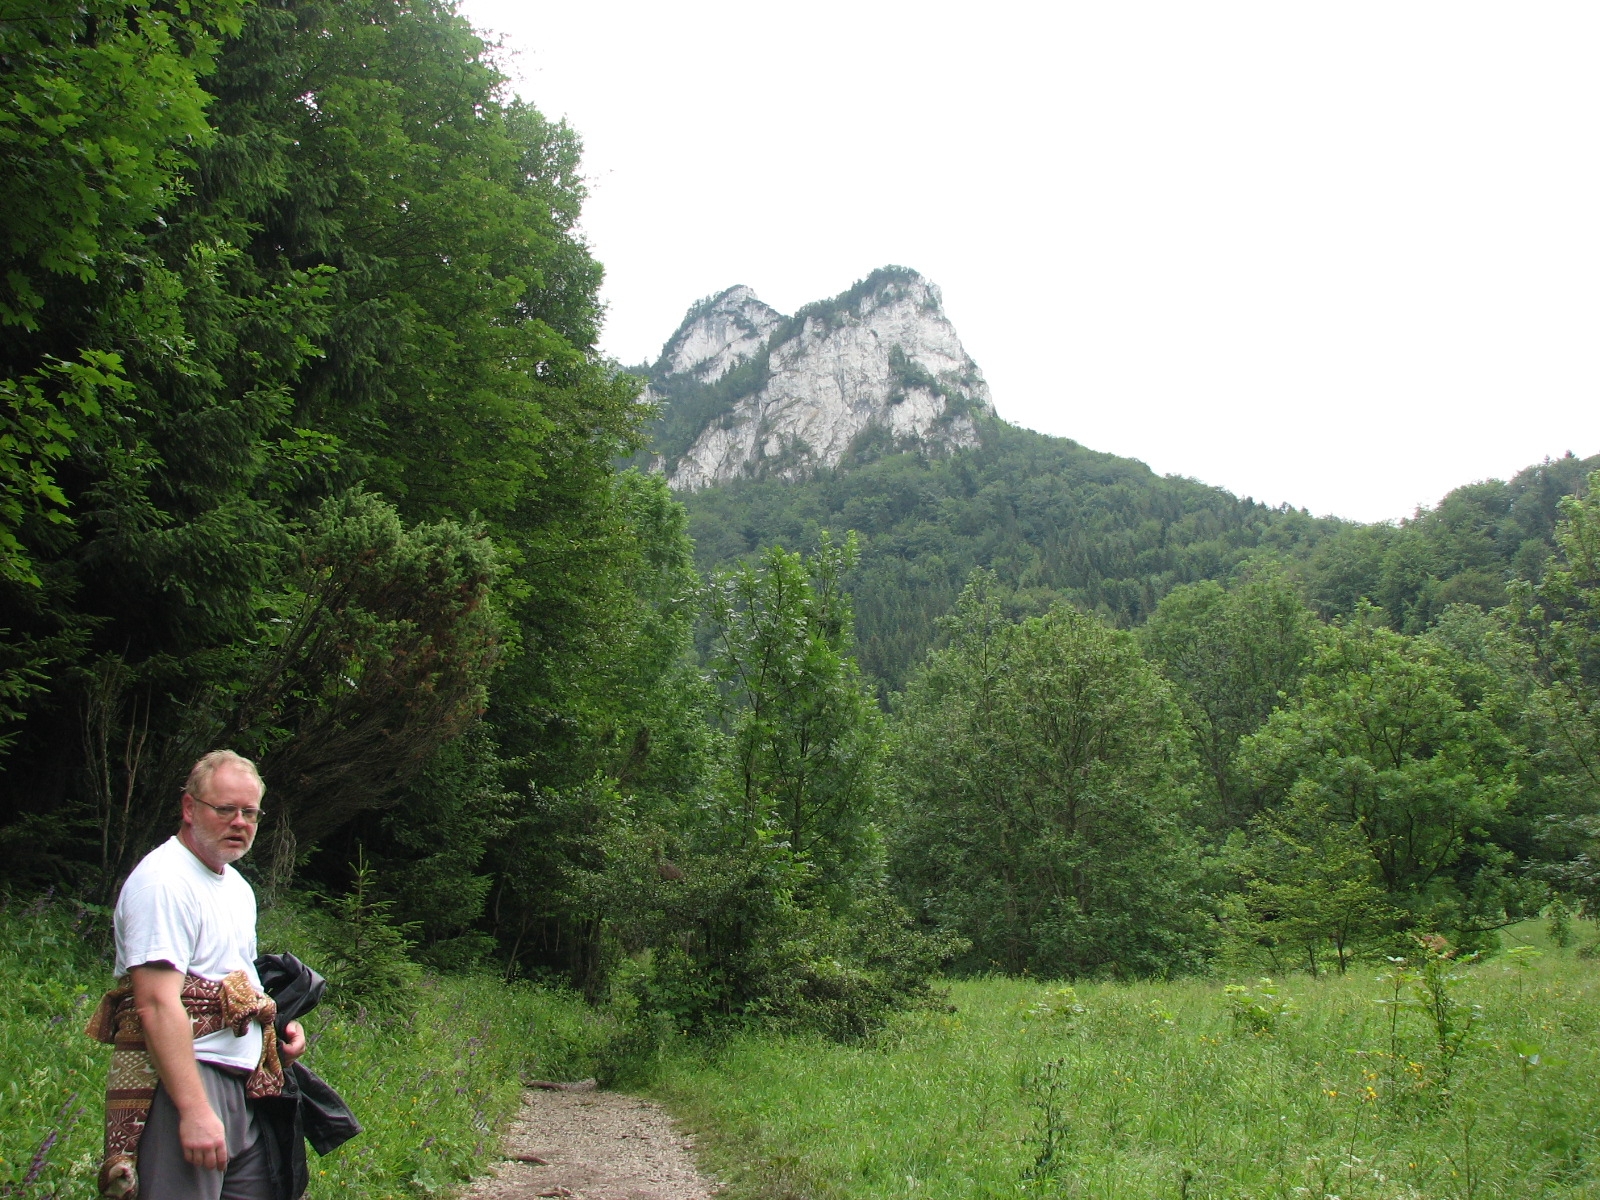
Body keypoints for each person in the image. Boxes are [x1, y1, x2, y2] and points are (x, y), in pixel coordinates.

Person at [102, 750, 307, 1199]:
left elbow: (237, 985)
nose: (239, 822)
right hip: (186, 1081)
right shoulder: (164, 882)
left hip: (244, 1085)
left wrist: (275, 1029)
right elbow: (156, 1003)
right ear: (189, 808)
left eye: (250, 813)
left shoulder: (237, 887)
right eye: (225, 809)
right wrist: (193, 1109)